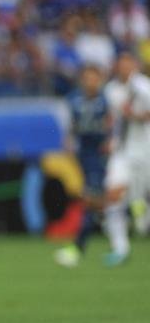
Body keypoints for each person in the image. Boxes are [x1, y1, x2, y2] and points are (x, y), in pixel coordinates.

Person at [55, 64, 112, 267]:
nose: (91, 81)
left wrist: (112, 139)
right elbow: (70, 126)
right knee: (94, 198)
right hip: (86, 154)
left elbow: (114, 122)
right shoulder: (73, 100)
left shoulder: (108, 98)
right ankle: (115, 220)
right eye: (87, 77)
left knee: (93, 199)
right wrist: (68, 140)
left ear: (100, 79)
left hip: (106, 153)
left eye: (94, 78)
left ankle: (79, 246)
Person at [97, 51, 149, 266]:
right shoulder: (110, 90)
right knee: (112, 196)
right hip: (121, 151)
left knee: (141, 200)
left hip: (145, 149)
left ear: (135, 65)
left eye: (129, 63)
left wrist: (134, 115)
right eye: (121, 64)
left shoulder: (144, 87)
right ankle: (120, 248)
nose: (125, 67)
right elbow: (111, 119)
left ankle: (141, 215)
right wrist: (108, 138)